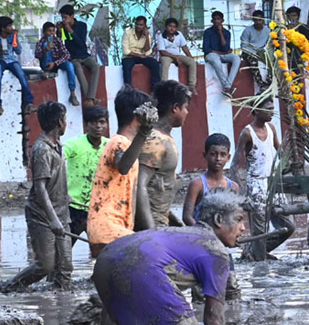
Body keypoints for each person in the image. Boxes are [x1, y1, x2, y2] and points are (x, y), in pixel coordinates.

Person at [93, 189, 245, 325]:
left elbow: (168, 305)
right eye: (238, 220)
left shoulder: (181, 234)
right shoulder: (215, 250)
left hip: (106, 261)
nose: (243, 228)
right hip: (141, 270)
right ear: (219, 220)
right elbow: (214, 316)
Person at [0, 102, 73, 292]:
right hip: (42, 215)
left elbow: (54, 180)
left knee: (66, 267)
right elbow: (40, 188)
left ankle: (59, 305)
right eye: (65, 119)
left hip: (61, 211)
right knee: (44, 266)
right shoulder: (41, 149)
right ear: (60, 122)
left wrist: (66, 197)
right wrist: (53, 220)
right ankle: (7, 288)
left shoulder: (56, 145)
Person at [87, 86, 158, 258]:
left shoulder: (126, 145)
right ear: (138, 117)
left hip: (113, 228)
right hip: (108, 229)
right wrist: (144, 133)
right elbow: (123, 166)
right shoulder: (119, 142)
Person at [232, 99, 292, 261]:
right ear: (257, 111)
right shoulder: (247, 133)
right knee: (259, 231)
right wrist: (243, 194)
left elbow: (281, 153)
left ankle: (255, 251)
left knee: (288, 227)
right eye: (268, 109)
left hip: (273, 184)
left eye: (273, 108)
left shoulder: (271, 128)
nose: (272, 112)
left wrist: (289, 162)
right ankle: (260, 263)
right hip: (256, 185)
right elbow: (234, 165)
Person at [138, 80, 190, 229]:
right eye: (185, 108)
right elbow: (140, 186)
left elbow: (159, 185)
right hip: (151, 225)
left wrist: (172, 219)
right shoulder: (156, 141)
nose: (187, 112)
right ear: (175, 108)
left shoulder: (164, 137)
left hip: (161, 221)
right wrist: (151, 231)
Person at [65, 104, 109, 239]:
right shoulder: (74, 144)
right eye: (94, 122)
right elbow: (56, 160)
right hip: (74, 207)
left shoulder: (110, 146)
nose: (98, 126)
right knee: (64, 251)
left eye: (102, 122)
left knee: (102, 250)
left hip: (99, 208)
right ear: (86, 125)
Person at [182, 134, 240, 226]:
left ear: (228, 158)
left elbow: (235, 215)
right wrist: (203, 232)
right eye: (213, 154)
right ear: (205, 155)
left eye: (223, 155)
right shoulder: (197, 184)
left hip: (224, 237)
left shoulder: (233, 187)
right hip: (201, 236)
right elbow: (187, 216)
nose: (218, 159)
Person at [0, 14, 34, 117]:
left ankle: (29, 102)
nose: (12, 28)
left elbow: (18, 51)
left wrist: (16, 39)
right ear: (3, 28)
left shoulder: (12, 37)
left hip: (11, 60)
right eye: (9, 26)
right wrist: (1, 52)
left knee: (22, 76)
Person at [58, 3, 101, 105]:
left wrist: (71, 31)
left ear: (72, 16)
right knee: (78, 69)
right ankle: (90, 99)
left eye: (66, 17)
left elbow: (81, 43)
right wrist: (60, 31)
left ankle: (90, 98)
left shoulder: (82, 26)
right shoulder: (63, 28)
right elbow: (61, 42)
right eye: (62, 17)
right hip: (73, 57)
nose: (64, 20)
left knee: (95, 66)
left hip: (84, 54)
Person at [36, 21, 80, 106]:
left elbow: (67, 54)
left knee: (70, 66)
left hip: (57, 63)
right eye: (49, 31)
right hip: (47, 65)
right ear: (44, 32)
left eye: (53, 31)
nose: (51, 33)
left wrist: (55, 63)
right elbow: (37, 55)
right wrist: (45, 50)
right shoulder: (40, 42)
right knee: (46, 44)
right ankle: (47, 71)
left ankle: (72, 94)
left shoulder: (57, 40)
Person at [155, 17, 198, 94]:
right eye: (170, 26)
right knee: (165, 62)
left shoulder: (179, 34)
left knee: (192, 62)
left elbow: (184, 47)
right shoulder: (161, 36)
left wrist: (190, 57)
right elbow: (162, 51)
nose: (172, 28)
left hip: (177, 55)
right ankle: (164, 85)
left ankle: (191, 86)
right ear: (166, 26)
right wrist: (175, 57)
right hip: (166, 56)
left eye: (174, 27)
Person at [203, 10, 241, 94]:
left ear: (222, 20)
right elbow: (206, 49)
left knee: (236, 58)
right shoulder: (207, 32)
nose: (216, 21)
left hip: (222, 54)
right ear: (212, 21)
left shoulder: (227, 33)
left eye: (218, 19)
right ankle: (226, 87)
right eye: (214, 19)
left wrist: (220, 33)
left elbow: (226, 48)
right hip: (211, 55)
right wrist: (223, 53)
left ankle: (228, 84)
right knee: (216, 60)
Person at [122, 15, 162, 87]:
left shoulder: (147, 35)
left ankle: (155, 88)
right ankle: (128, 89)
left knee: (154, 63)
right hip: (129, 57)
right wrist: (139, 55)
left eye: (141, 25)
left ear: (144, 25)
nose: (138, 26)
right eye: (137, 24)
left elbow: (148, 52)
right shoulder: (127, 33)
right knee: (126, 66)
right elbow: (126, 51)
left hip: (141, 57)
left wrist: (146, 36)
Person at [240, 7, 271, 88]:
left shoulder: (268, 31)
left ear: (263, 20)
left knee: (273, 62)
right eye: (256, 20)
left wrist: (263, 52)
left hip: (262, 53)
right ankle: (261, 84)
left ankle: (268, 82)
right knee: (253, 61)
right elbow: (244, 46)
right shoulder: (247, 30)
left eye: (260, 20)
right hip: (249, 53)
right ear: (253, 20)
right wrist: (255, 53)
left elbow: (269, 45)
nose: (258, 22)